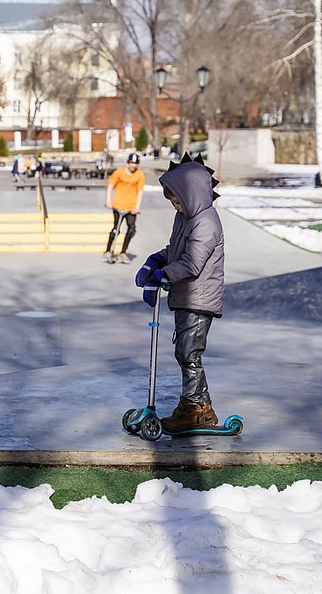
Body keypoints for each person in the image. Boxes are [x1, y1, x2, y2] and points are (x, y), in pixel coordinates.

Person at [134, 153, 224, 433]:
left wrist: (165, 274)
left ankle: (196, 408)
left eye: (177, 200)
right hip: (186, 297)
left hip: (200, 299)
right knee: (185, 353)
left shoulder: (206, 222)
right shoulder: (185, 218)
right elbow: (176, 251)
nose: (175, 206)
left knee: (189, 353)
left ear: (192, 193)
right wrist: (156, 261)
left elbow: (193, 262)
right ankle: (199, 406)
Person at [104, 152, 146, 264]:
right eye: (131, 163)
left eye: (135, 163)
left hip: (131, 207)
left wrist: (137, 207)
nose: (133, 166)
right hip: (118, 204)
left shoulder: (140, 175)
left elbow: (140, 191)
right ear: (128, 162)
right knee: (116, 228)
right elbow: (110, 185)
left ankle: (123, 252)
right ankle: (108, 250)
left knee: (131, 229)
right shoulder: (119, 173)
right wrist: (108, 201)